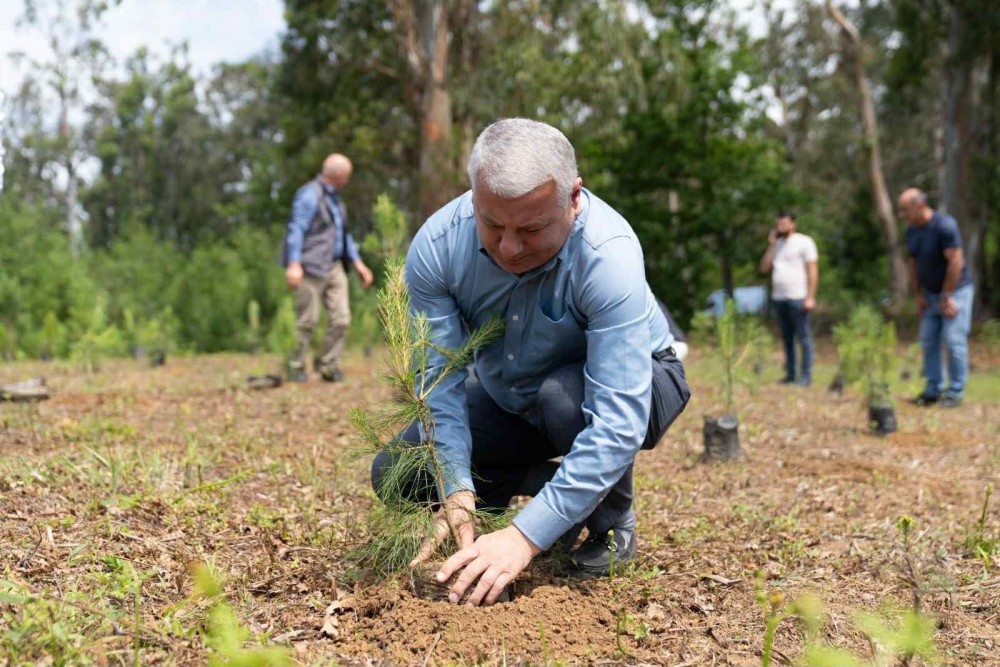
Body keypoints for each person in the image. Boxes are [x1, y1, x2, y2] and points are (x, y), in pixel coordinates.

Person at [371, 119, 690, 606]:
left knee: (563, 399)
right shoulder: (438, 247)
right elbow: (440, 383)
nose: (509, 248)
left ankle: (611, 522)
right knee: (398, 469)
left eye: (532, 228)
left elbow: (618, 422)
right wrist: (456, 492)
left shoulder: (609, 255)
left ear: (574, 198)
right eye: (493, 225)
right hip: (512, 394)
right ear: (474, 195)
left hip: (632, 382)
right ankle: (550, 493)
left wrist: (522, 540)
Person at [282, 154, 374, 382]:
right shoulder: (310, 194)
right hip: (310, 265)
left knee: (341, 317)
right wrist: (294, 264)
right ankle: (295, 365)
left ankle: (328, 365)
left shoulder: (335, 200)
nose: (347, 181)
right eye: (346, 177)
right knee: (307, 320)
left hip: (334, 265)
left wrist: (358, 263)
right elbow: (296, 229)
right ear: (338, 176)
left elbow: (343, 235)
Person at [900, 188, 974, 408]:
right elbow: (912, 264)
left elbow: (956, 262)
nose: (902, 214)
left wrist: (947, 295)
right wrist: (918, 295)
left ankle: (955, 392)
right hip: (930, 295)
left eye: (905, 209)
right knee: (929, 340)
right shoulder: (912, 230)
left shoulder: (944, 226)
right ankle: (933, 390)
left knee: (953, 340)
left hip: (956, 292)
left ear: (919, 205)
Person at [759, 211, 818, 386]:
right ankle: (791, 375)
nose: (781, 227)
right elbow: (763, 268)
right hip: (779, 298)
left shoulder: (804, 242)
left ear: (793, 224)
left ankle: (806, 376)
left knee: (804, 338)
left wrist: (810, 297)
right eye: (778, 224)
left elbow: (812, 270)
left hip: (798, 297)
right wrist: (771, 245)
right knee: (787, 339)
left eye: (784, 224)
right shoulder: (776, 245)